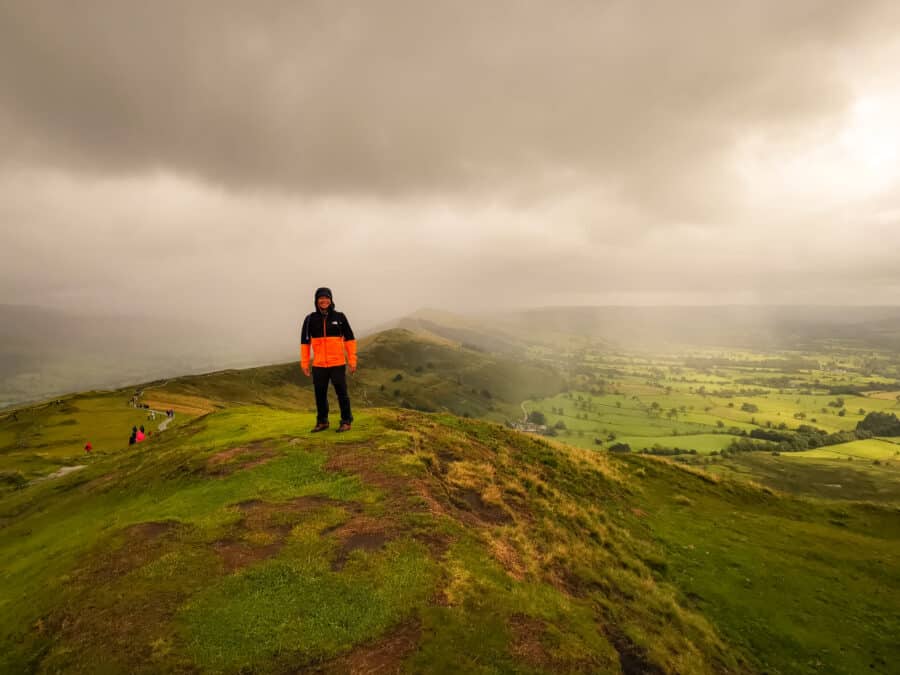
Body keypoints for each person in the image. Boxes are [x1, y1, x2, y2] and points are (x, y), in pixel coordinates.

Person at [300, 287, 357, 432]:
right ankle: (322, 422)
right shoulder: (310, 319)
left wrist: (352, 360)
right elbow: (305, 343)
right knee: (320, 394)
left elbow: (350, 340)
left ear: (331, 300)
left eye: (326, 298)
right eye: (321, 298)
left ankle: (346, 421)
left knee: (342, 393)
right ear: (316, 301)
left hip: (337, 363)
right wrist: (305, 363)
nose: (324, 300)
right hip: (319, 364)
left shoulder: (340, 317)